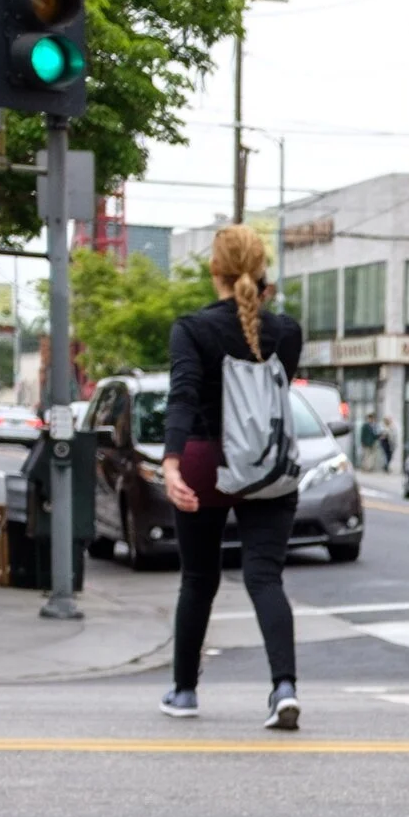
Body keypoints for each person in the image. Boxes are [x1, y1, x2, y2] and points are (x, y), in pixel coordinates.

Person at [159, 224, 302, 727]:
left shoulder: (191, 328)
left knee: (198, 579)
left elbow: (183, 395)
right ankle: (283, 687)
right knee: (265, 576)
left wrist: (172, 462)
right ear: (262, 272)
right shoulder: (286, 331)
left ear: (213, 271)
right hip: (265, 463)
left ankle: (184, 692)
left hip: (204, 460)